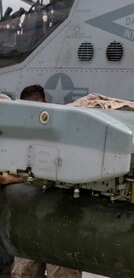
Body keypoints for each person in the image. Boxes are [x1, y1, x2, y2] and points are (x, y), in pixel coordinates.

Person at [9, 86, 82, 278]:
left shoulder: (65, 132)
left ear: (46, 104)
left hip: (61, 216)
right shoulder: (19, 135)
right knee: (23, 272)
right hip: (29, 217)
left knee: (62, 273)